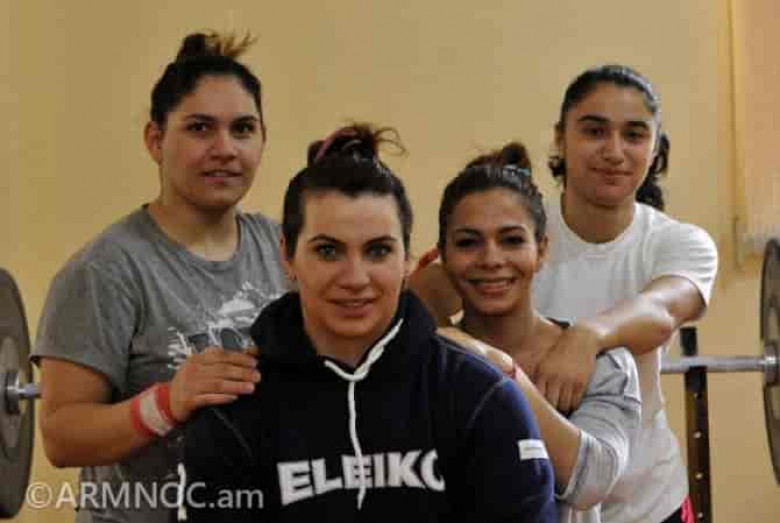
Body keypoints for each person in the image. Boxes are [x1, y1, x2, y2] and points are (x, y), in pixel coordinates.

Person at [177, 124, 558, 522]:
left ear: (406, 258)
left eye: (378, 251)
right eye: (328, 251)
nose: (355, 278)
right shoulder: (233, 411)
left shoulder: (481, 395)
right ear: (288, 257)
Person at [411, 65, 718, 523]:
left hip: (645, 501)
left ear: (655, 148)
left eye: (634, 135)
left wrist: (585, 337)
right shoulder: (515, 225)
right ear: (560, 138)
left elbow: (661, 311)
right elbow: (424, 294)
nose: (614, 151)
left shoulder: (679, 242)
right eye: (594, 130)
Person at [32, 32, 288, 523]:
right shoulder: (104, 270)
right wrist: (168, 402)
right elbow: (61, 437)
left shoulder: (285, 250)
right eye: (200, 128)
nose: (225, 149)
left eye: (242, 129)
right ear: (155, 140)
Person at [437, 141, 641, 523]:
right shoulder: (429, 362)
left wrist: (501, 370)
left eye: (512, 240)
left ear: (542, 250)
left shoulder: (603, 364)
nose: (491, 259)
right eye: (468, 243)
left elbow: (591, 482)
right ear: (443, 255)